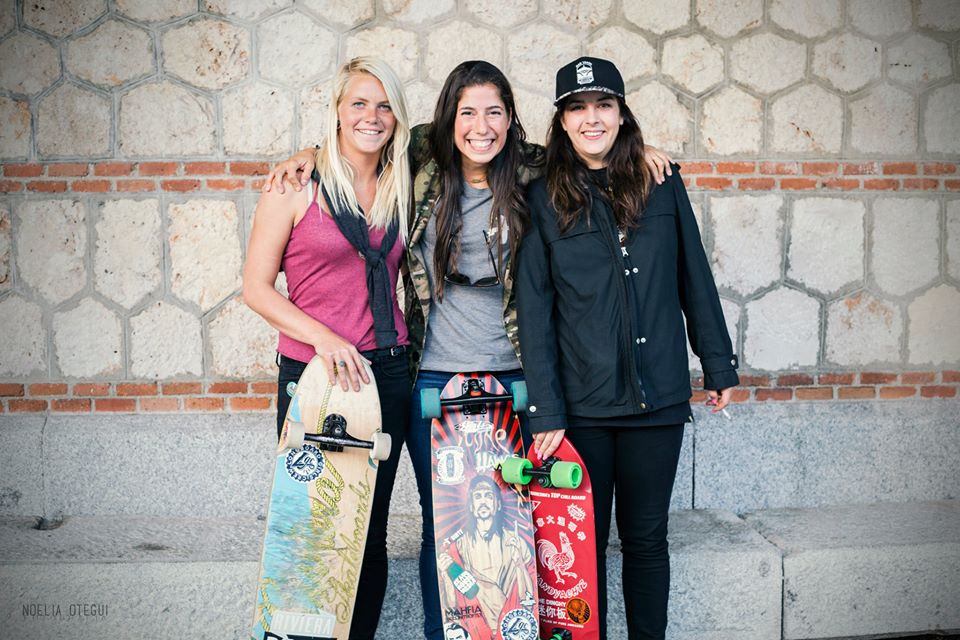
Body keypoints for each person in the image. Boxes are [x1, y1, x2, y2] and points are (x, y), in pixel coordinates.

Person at [264, 59, 673, 640]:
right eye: (467, 113)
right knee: (445, 529)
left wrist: (642, 146)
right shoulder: (420, 165)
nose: (481, 127)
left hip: (514, 379)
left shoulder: (534, 173)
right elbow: (365, 136)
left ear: (511, 121)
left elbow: (590, 146)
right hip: (433, 380)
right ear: (448, 121)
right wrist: (308, 152)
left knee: (508, 532)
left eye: (495, 113)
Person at [515, 57, 740, 640]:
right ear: (562, 122)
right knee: (581, 554)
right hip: (583, 409)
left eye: (603, 105)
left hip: (658, 399)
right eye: (577, 108)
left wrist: (717, 364)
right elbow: (536, 311)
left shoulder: (661, 179)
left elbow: (694, 274)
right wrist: (547, 409)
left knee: (647, 542)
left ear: (620, 113)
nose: (592, 118)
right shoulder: (541, 198)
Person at [242, 56, 412, 640]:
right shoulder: (294, 185)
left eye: (385, 104)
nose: (372, 115)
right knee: (312, 529)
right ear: (337, 112)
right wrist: (324, 337)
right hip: (313, 377)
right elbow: (255, 288)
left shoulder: (403, 180)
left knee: (368, 530)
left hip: (387, 373)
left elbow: (480, 137)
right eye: (359, 103)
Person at [437, 476, 535, 634]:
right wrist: (445, 573)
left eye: (489, 496)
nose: (483, 501)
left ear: (497, 505)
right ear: (471, 506)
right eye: (477, 496)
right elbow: (452, 606)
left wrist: (519, 565)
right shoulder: (458, 548)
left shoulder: (516, 543)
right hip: (476, 629)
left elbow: (529, 600)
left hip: (513, 628)